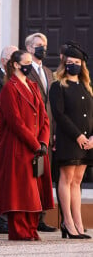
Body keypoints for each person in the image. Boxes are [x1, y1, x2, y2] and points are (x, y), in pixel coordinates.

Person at [0, 50, 54, 241]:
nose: (30, 65)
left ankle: (31, 229)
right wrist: (34, 143)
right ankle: (20, 231)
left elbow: (44, 117)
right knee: (20, 191)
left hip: (36, 148)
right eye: (27, 62)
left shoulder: (33, 85)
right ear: (15, 64)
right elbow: (15, 122)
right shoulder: (9, 88)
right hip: (19, 147)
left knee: (35, 190)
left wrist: (43, 141)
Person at [49, 42, 93, 239]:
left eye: (76, 62)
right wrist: (79, 136)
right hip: (70, 140)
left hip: (87, 142)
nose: (73, 65)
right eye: (69, 62)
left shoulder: (86, 86)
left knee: (78, 181)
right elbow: (59, 114)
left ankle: (78, 223)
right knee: (66, 180)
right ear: (64, 63)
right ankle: (67, 222)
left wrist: (92, 137)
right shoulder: (58, 85)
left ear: (82, 64)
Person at [25, 32, 57, 233]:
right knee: (31, 175)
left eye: (44, 44)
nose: (42, 48)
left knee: (45, 175)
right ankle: (30, 216)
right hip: (32, 131)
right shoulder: (26, 71)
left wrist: (53, 131)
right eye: (38, 45)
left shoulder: (48, 71)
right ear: (29, 48)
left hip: (48, 130)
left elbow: (50, 103)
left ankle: (41, 217)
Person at [0, 45, 18, 234]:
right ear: (4, 61)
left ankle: (13, 217)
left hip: (17, 136)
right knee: (2, 179)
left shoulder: (21, 79)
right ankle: (2, 220)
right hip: (3, 135)